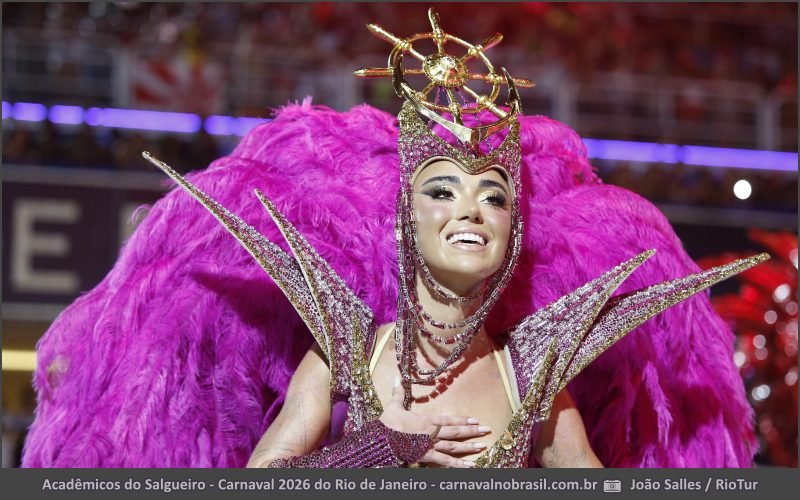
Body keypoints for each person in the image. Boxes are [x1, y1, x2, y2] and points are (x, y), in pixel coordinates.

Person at [22, 10, 765, 468]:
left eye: (494, 195)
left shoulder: (534, 374)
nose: (470, 209)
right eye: (442, 189)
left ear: (513, 231)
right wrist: (381, 451)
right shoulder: (348, 350)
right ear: (408, 220)